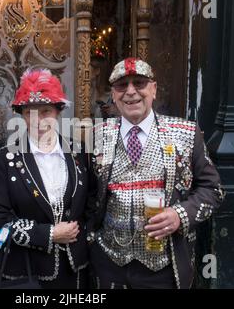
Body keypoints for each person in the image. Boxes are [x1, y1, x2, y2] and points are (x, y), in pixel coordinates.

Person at [86, 57, 225, 289]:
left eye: (139, 83)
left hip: (164, 267)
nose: (131, 92)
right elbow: (88, 194)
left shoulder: (186, 133)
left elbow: (214, 190)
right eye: (122, 85)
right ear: (113, 93)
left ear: (154, 89)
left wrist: (180, 214)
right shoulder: (97, 135)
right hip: (108, 264)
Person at [0, 69, 89, 289]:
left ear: (58, 112)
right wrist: (49, 234)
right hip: (26, 273)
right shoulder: (4, 158)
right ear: (21, 115)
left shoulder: (79, 152)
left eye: (46, 111)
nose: (38, 120)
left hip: (75, 271)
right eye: (30, 112)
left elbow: (90, 206)